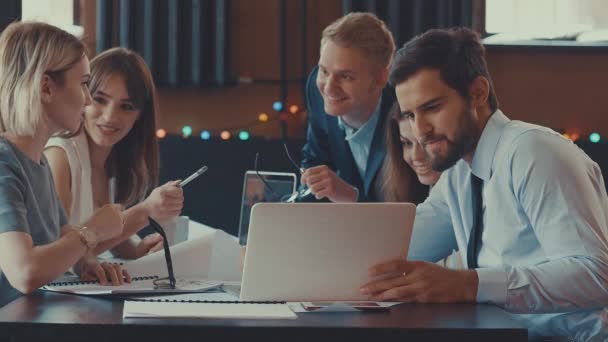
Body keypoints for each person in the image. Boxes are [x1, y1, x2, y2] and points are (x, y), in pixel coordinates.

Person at [362, 27, 608, 339]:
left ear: (478, 93)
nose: (420, 130)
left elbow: (597, 277)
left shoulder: (534, 152)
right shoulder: (459, 173)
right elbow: (401, 244)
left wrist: (468, 283)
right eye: (410, 115)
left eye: (432, 108)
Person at [0, 22, 128, 307]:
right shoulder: (3, 164)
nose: (87, 99)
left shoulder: (38, 161)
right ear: (46, 87)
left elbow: (61, 237)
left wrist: (87, 263)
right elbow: (25, 272)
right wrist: (92, 230)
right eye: (83, 83)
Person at [45, 47, 184, 259]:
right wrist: (144, 211)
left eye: (126, 106)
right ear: (83, 97)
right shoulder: (59, 156)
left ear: (140, 116)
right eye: (100, 99)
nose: (110, 116)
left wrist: (137, 250)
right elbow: (58, 253)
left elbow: (99, 237)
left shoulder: (114, 161)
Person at [299, 12, 396, 203]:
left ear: (380, 79)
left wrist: (351, 197)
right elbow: (315, 160)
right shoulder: (316, 91)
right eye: (324, 71)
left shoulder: (404, 113)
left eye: (345, 76)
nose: (328, 88)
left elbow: (411, 213)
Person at [383, 103, 462, 269]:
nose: (416, 156)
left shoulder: (460, 186)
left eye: (425, 143)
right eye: (407, 144)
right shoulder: (418, 190)